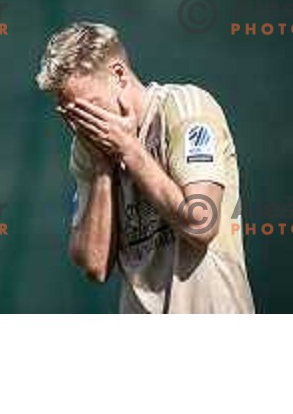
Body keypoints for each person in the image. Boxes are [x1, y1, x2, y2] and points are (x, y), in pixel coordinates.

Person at [36, 21, 255, 313]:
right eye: (71, 113)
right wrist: (103, 166)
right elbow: (94, 266)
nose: (81, 123)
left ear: (118, 75)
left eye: (89, 106)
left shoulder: (186, 108)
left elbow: (201, 223)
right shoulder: (87, 145)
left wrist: (128, 149)